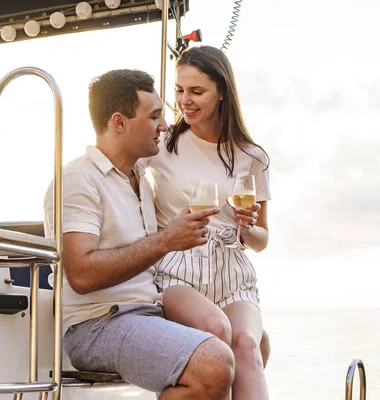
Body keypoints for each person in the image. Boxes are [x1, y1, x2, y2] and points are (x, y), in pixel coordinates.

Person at [43, 69, 234, 399]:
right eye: (155, 116)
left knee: (252, 343)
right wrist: (166, 240)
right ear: (119, 123)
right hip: (96, 324)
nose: (164, 126)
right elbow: (81, 274)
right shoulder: (77, 180)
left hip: (148, 312)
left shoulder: (142, 179)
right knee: (214, 364)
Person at [146, 45, 271, 399]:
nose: (185, 100)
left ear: (221, 92)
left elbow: (261, 240)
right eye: (180, 90)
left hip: (232, 271)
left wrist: (248, 227)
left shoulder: (252, 157)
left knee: (248, 344)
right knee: (217, 333)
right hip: (178, 268)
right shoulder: (164, 144)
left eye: (197, 91)